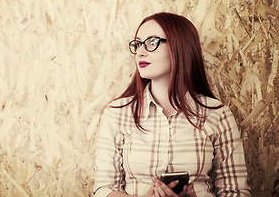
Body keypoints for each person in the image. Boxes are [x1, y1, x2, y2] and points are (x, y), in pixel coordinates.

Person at [93, 12, 251, 197]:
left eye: (152, 42)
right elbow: (104, 189)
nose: (140, 52)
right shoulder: (117, 113)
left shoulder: (217, 114)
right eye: (137, 44)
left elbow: (237, 192)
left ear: (180, 46)